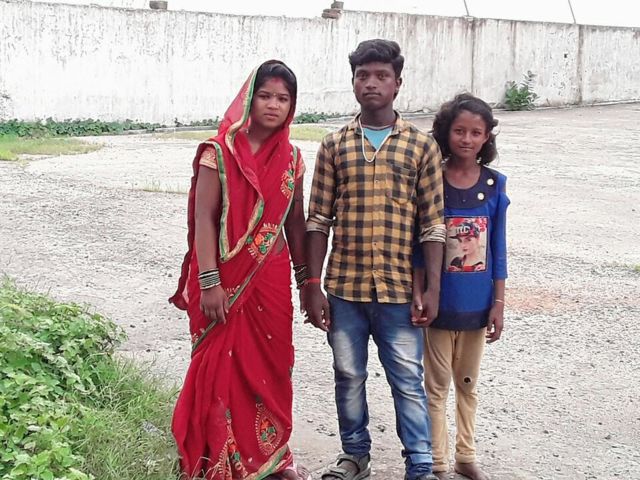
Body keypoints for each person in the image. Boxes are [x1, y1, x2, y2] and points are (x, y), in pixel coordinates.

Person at [303, 39, 445, 480]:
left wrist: (433, 289)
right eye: (363, 75)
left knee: (407, 379)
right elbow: (317, 220)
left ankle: (419, 464)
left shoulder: (421, 147)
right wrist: (312, 285)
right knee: (348, 376)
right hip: (344, 289)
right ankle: (355, 456)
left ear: (397, 84)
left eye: (381, 76)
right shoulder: (334, 145)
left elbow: (433, 225)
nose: (371, 83)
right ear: (353, 83)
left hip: (400, 291)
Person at [169, 60, 310, 480]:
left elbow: (295, 222)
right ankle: (218, 454)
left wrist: (308, 280)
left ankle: (272, 456)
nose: (273, 105)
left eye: (282, 98)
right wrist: (209, 281)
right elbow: (204, 218)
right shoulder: (217, 152)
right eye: (265, 95)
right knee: (221, 365)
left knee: (272, 364)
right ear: (249, 99)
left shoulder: (293, 159)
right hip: (223, 277)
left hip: (270, 276)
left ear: (292, 105)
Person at [412, 93, 510, 480]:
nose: (467, 139)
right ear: (445, 132)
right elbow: (420, 244)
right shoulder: (431, 179)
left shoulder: (495, 185)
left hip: (477, 304)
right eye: (459, 131)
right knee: (435, 385)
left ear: (486, 137)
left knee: (467, 383)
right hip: (439, 303)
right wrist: (419, 291)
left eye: (476, 132)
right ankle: (436, 458)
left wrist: (498, 302)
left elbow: (498, 248)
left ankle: (465, 455)